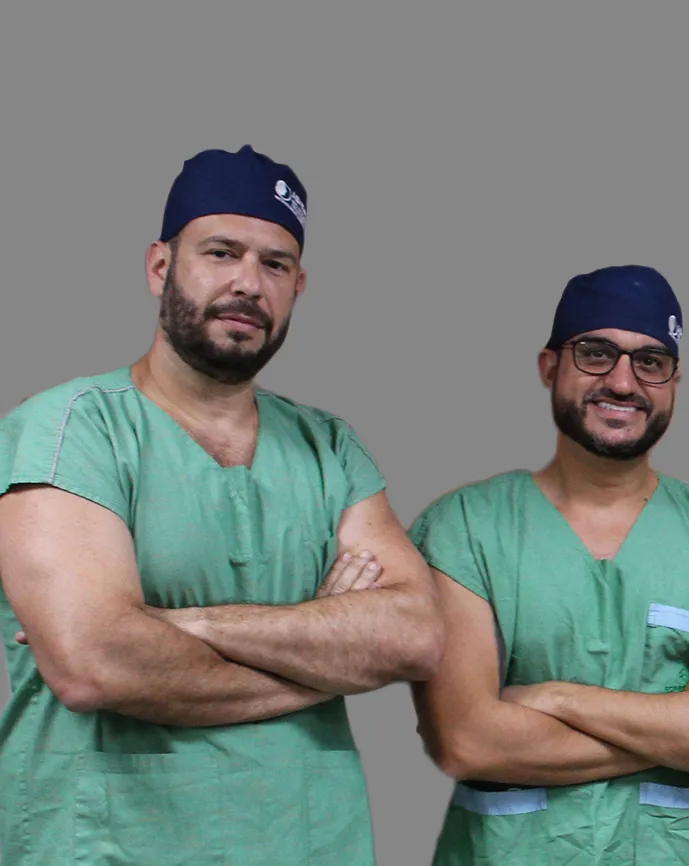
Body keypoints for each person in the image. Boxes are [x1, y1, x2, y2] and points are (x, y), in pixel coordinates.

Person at [0, 145, 445, 864]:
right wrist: (328, 652)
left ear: (298, 286)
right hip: (113, 844)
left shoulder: (329, 448)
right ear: (160, 267)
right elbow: (94, 665)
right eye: (221, 253)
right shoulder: (70, 430)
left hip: (308, 844)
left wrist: (175, 624)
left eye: (275, 264)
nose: (248, 283)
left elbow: (416, 636)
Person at [406, 265, 689, 865]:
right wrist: (686, 719)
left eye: (651, 362)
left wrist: (556, 698)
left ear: (674, 382)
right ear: (549, 367)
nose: (622, 381)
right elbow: (467, 741)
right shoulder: (466, 529)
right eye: (595, 353)